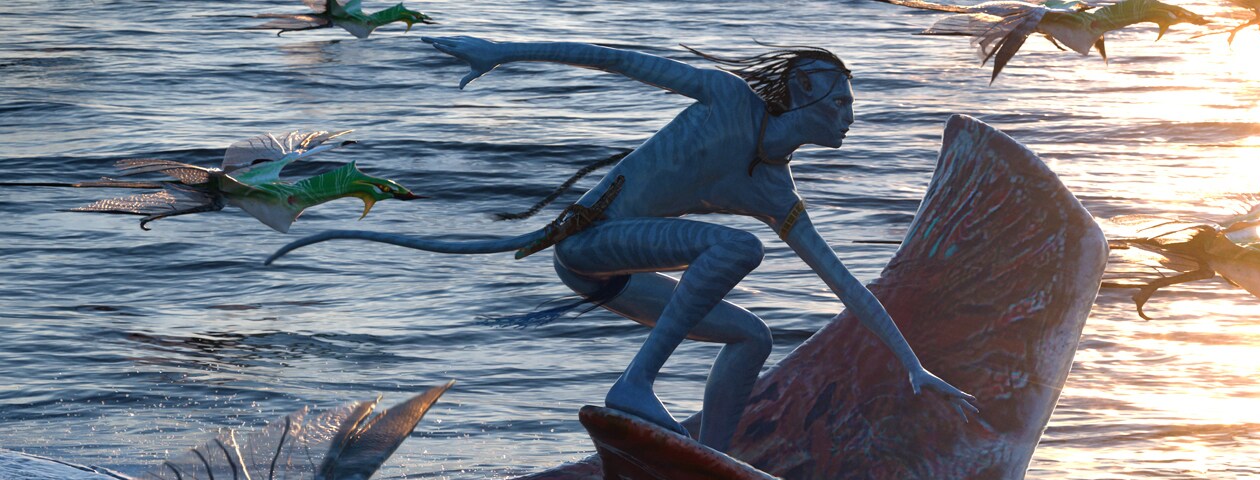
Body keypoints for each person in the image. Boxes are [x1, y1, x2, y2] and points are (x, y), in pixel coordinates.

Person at [270, 36, 977, 452]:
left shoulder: (775, 192)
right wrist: (505, 52)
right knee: (737, 250)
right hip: (590, 246)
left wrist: (913, 368)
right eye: (841, 102)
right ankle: (634, 385)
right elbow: (618, 60)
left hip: (618, 274)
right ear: (803, 95)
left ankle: (714, 464)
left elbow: (844, 284)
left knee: (752, 338)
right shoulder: (728, 99)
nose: (852, 115)